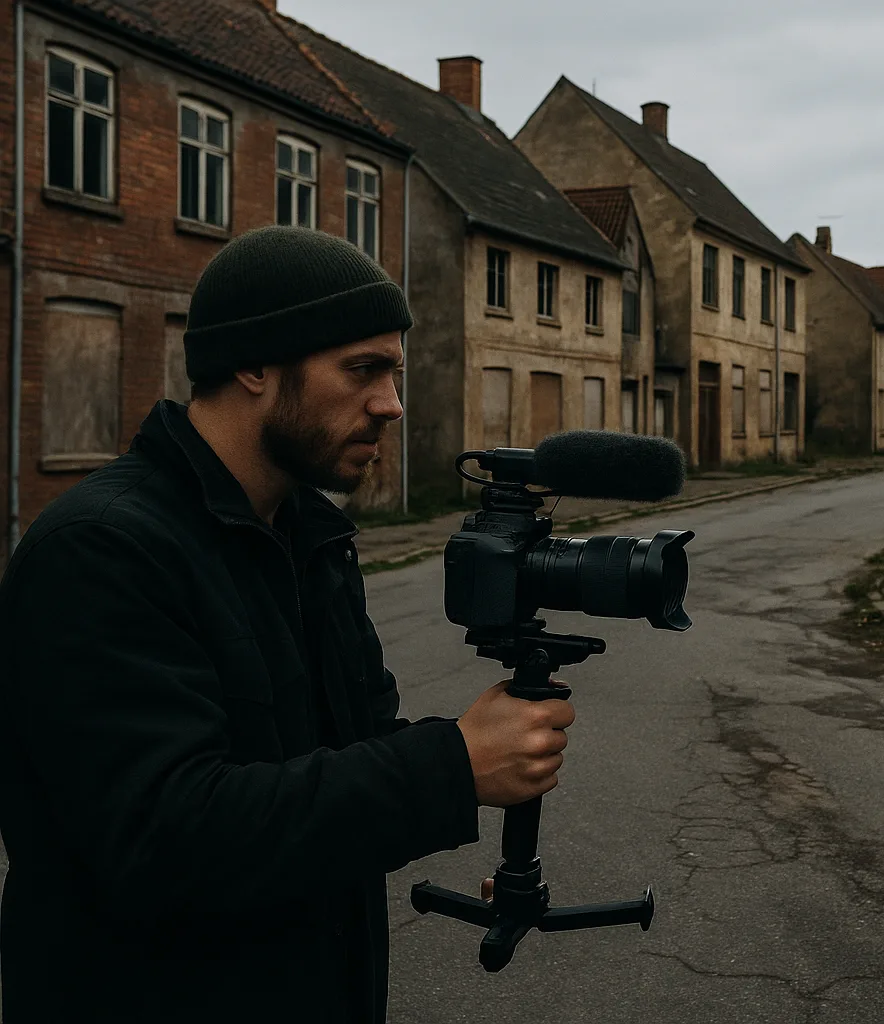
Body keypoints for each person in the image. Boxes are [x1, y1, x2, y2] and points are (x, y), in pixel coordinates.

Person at [0, 226, 573, 1023]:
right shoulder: (101, 551)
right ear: (254, 364)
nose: (392, 404)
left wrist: (477, 765)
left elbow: (348, 757)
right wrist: (449, 766)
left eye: (394, 373)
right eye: (362, 370)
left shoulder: (311, 538)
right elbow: (163, 838)